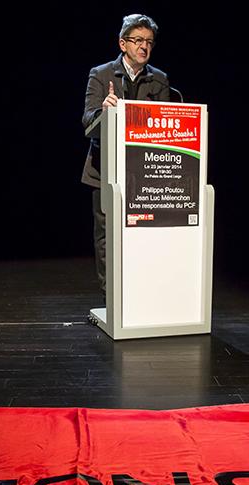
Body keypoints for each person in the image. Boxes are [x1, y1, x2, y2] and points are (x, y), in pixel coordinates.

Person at [82, 14, 171, 292]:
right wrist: (104, 112)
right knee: (107, 235)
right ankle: (111, 293)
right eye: (137, 41)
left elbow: (164, 128)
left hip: (144, 171)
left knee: (141, 235)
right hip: (105, 169)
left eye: (149, 42)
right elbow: (88, 121)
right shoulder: (101, 74)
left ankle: (139, 291)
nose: (144, 47)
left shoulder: (160, 79)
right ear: (123, 44)